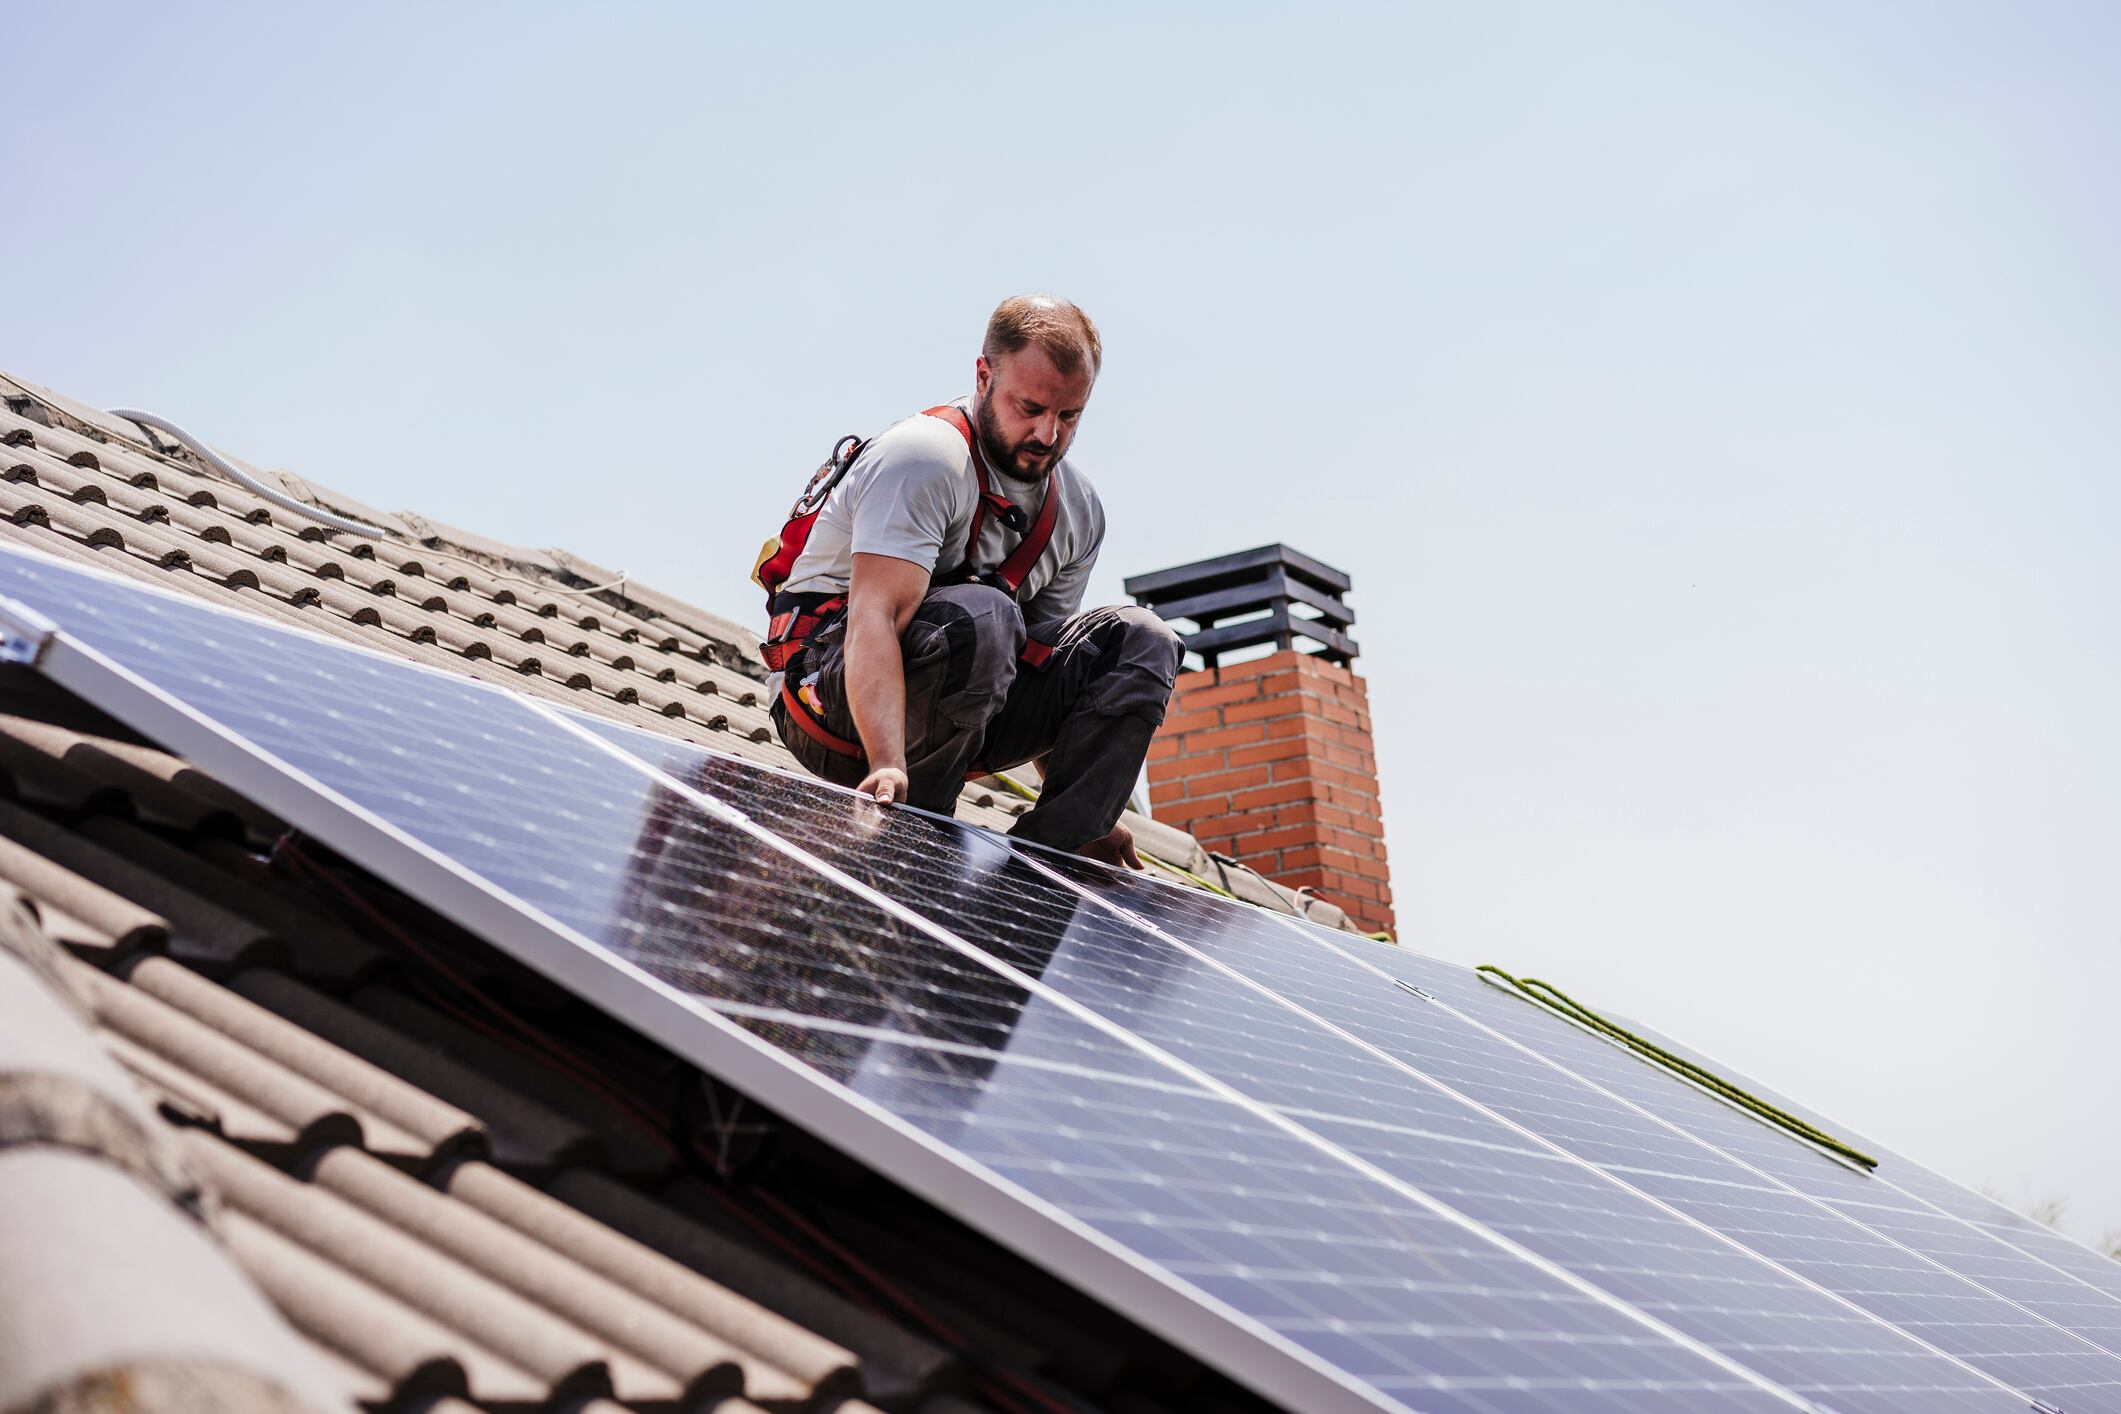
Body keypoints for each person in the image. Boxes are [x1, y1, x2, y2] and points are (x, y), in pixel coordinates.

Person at [768, 294, 1182, 866]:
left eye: (1069, 416)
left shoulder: (1078, 510)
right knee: (985, 612)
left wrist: (1083, 799)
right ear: (984, 376)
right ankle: (915, 839)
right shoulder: (925, 458)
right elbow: (873, 619)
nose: (1047, 434)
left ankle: (1059, 855)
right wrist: (887, 761)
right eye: (1030, 407)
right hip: (834, 704)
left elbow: (1040, 665)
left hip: (963, 718)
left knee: (1142, 639)